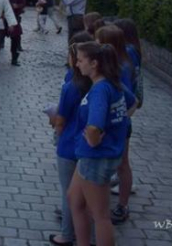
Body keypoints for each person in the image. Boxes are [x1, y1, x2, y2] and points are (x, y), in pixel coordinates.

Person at [68, 42, 136, 246]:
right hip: (95, 156)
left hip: (96, 157)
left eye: (80, 60)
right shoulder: (112, 83)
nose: (77, 65)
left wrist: (94, 138)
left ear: (94, 63)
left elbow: (94, 126)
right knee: (75, 199)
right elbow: (132, 103)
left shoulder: (100, 90)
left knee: (100, 215)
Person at [48, 35, 93, 246]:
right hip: (88, 147)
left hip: (68, 145)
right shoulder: (98, 84)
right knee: (86, 193)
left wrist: (56, 129)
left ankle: (66, 234)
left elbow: (61, 119)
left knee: (69, 193)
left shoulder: (71, 86)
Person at [95, 25, 140, 226]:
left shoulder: (121, 67)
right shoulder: (117, 63)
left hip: (116, 125)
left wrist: (121, 119)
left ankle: (122, 205)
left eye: (99, 41)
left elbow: (131, 100)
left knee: (121, 164)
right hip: (112, 123)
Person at [2, 0, 26, 67]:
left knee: (15, 37)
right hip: (2, 17)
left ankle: (14, 58)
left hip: (14, 17)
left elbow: (23, 3)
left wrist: (17, 6)